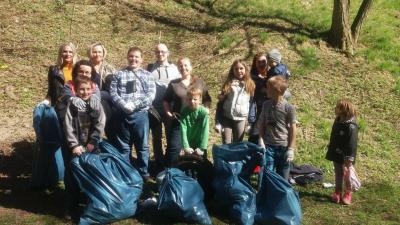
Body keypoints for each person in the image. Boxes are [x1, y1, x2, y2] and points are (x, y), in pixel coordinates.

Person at [109, 47, 156, 182]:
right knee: (123, 146)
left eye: (136, 57)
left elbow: (151, 95)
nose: (133, 59)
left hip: (141, 115)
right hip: (122, 115)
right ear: (127, 57)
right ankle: (125, 173)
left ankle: (144, 173)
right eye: (131, 56)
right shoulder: (119, 74)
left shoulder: (147, 75)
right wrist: (123, 105)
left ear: (141, 59)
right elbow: (113, 92)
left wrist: (136, 105)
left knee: (143, 147)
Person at [63, 75, 105, 221]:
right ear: (76, 90)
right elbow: (68, 126)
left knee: (93, 177)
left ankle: (91, 207)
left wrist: (93, 141)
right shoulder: (72, 105)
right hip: (77, 147)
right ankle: (71, 207)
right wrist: (73, 145)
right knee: (73, 178)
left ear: (92, 89)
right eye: (82, 89)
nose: (85, 92)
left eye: (88, 89)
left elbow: (101, 123)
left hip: (93, 146)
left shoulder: (96, 102)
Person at [163, 57, 211, 166]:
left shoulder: (199, 82)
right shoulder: (173, 84)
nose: (183, 67)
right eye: (180, 66)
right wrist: (168, 113)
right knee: (174, 149)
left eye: (185, 65)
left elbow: (207, 99)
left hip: (197, 122)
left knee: (199, 151)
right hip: (179, 121)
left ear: (191, 67)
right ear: (177, 68)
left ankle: (200, 175)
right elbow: (166, 100)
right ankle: (174, 174)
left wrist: (206, 110)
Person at [257, 75, 297, 180]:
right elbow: (262, 123)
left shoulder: (289, 108)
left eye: (268, 87)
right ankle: (263, 194)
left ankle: (280, 195)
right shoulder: (266, 105)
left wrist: (291, 149)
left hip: (283, 146)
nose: (266, 90)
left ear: (277, 90)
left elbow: (293, 129)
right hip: (268, 145)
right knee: (265, 174)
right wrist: (260, 139)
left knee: (282, 177)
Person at [147, 43, 180, 167]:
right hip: (154, 108)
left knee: (170, 134)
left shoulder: (175, 68)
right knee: (156, 136)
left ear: (168, 53)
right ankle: (158, 161)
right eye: (157, 52)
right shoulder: (150, 67)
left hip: (170, 108)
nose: (160, 54)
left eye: (163, 52)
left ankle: (170, 160)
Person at [326, 99, 358, 205]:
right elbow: (334, 134)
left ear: (344, 109)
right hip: (336, 151)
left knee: (347, 174)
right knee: (338, 172)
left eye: (338, 107)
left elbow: (352, 144)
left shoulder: (351, 125)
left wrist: (349, 158)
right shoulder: (338, 119)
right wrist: (331, 145)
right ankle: (337, 192)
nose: (335, 109)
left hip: (346, 155)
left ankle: (348, 193)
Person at [217, 59, 255, 144]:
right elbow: (221, 98)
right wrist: (221, 95)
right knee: (226, 142)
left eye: (241, 68)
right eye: (236, 69)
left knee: (238, 142)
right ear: (233, 70)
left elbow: (251, 102)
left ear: (245, 69)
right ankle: (227, 157)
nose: (239, 71)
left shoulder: (250, 84)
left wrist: (249, 120)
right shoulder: (228, 83)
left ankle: (235, 157)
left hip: (241, 118)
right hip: (227, 117)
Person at [87, 42, 116, 138]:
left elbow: (113, 90)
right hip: (88, 100)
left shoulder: (110, 68)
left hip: (107, 101)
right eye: (94, 52)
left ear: (103, 53)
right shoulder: (85, 67)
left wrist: (97, 95)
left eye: (100, 52)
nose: (97, 54)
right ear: (90, 53)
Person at [44, 42, 77, 119]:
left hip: (75, 103)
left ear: (74, 54)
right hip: (59, 104)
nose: (68, 54)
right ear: (61, 53)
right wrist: (45, 102)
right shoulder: (54, 69)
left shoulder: (78, 69)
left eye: (70, 52)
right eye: (65, 51)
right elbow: (51, 90)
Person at [180, 87, 209, 158]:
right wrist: (185, 146)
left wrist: (202, 147)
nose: (192, 101)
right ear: (187, 100)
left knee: (201, 164)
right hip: (189, 143)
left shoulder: (203, 113)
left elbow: (205, 130)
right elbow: (183, 130)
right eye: (190, 99)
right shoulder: (184, 112)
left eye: (195, 99)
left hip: (200, 143)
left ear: (200, 100)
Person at [248, 53, 269, 144]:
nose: (261, 64)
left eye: (263, 61)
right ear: (255, 63)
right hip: (257, 109)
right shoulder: (252, 77)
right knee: (255, 133)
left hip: (271, 108)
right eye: (259, 62)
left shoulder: (272, 74)